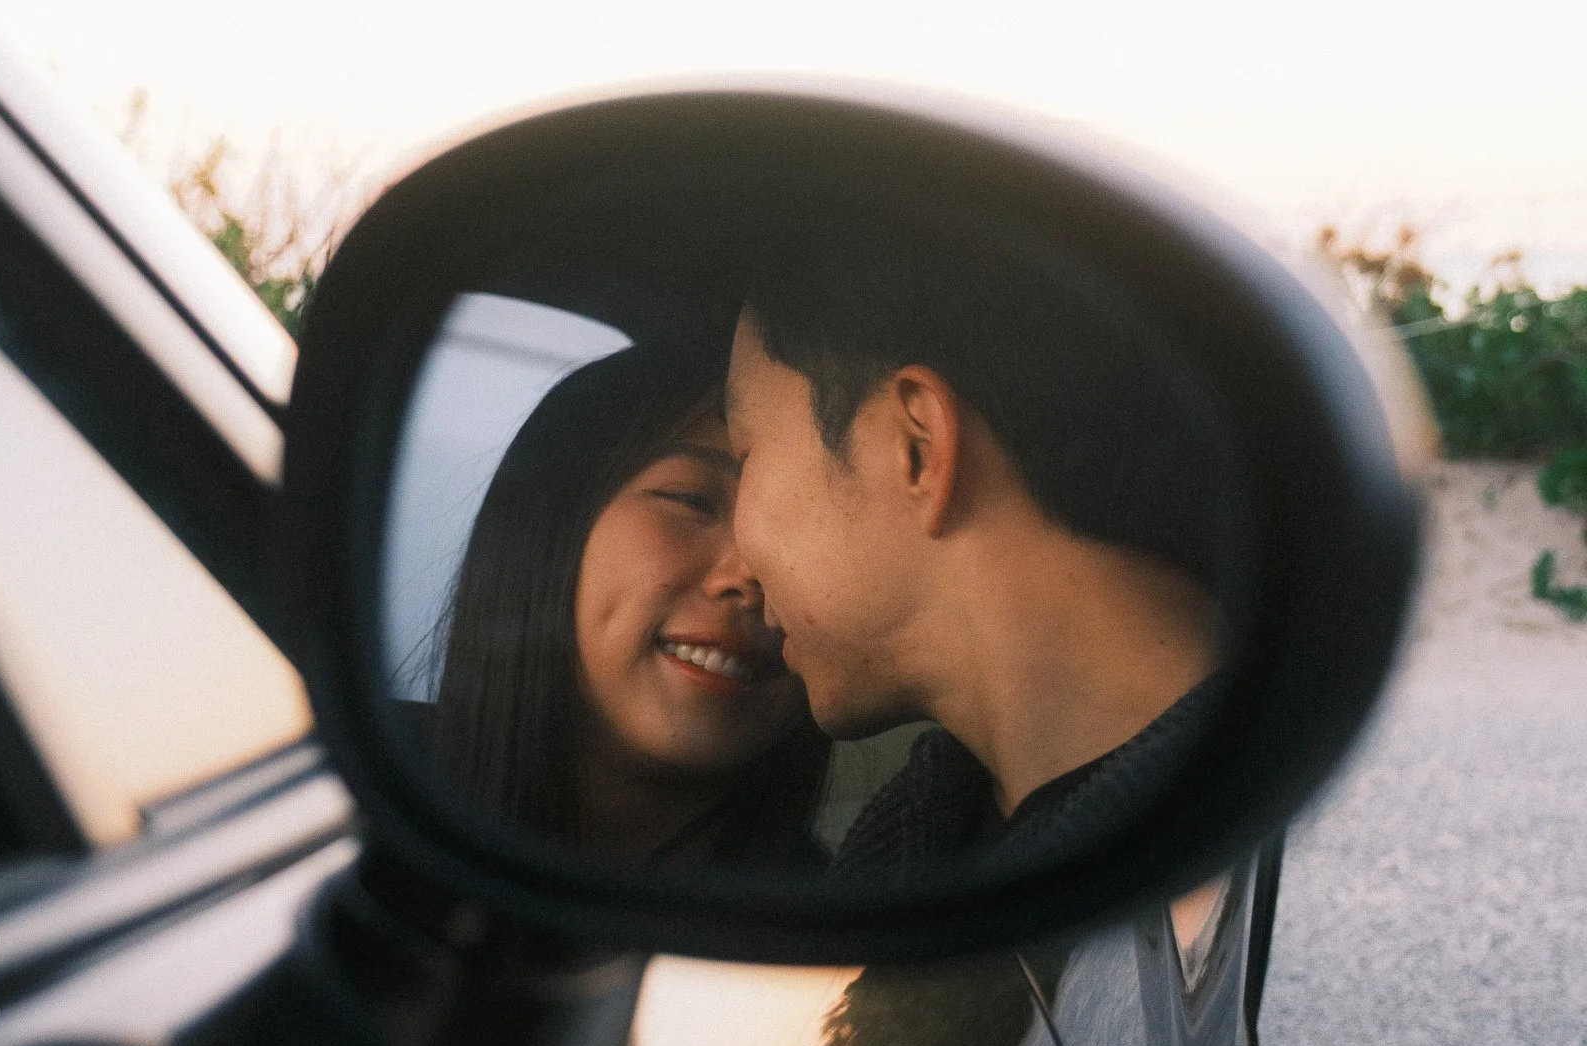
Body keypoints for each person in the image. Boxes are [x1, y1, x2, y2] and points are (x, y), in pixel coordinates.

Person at [724, 225, 1234, 882]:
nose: (737, 562)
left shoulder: (1277, 849)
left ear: (917, 448)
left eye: (743, 457)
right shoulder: (915, 845)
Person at [429, 337, 828, 870]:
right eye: (692, 501)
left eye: (800, 529)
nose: (749, 575)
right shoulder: (373, 791)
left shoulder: (832, 927)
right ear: (549, 530)